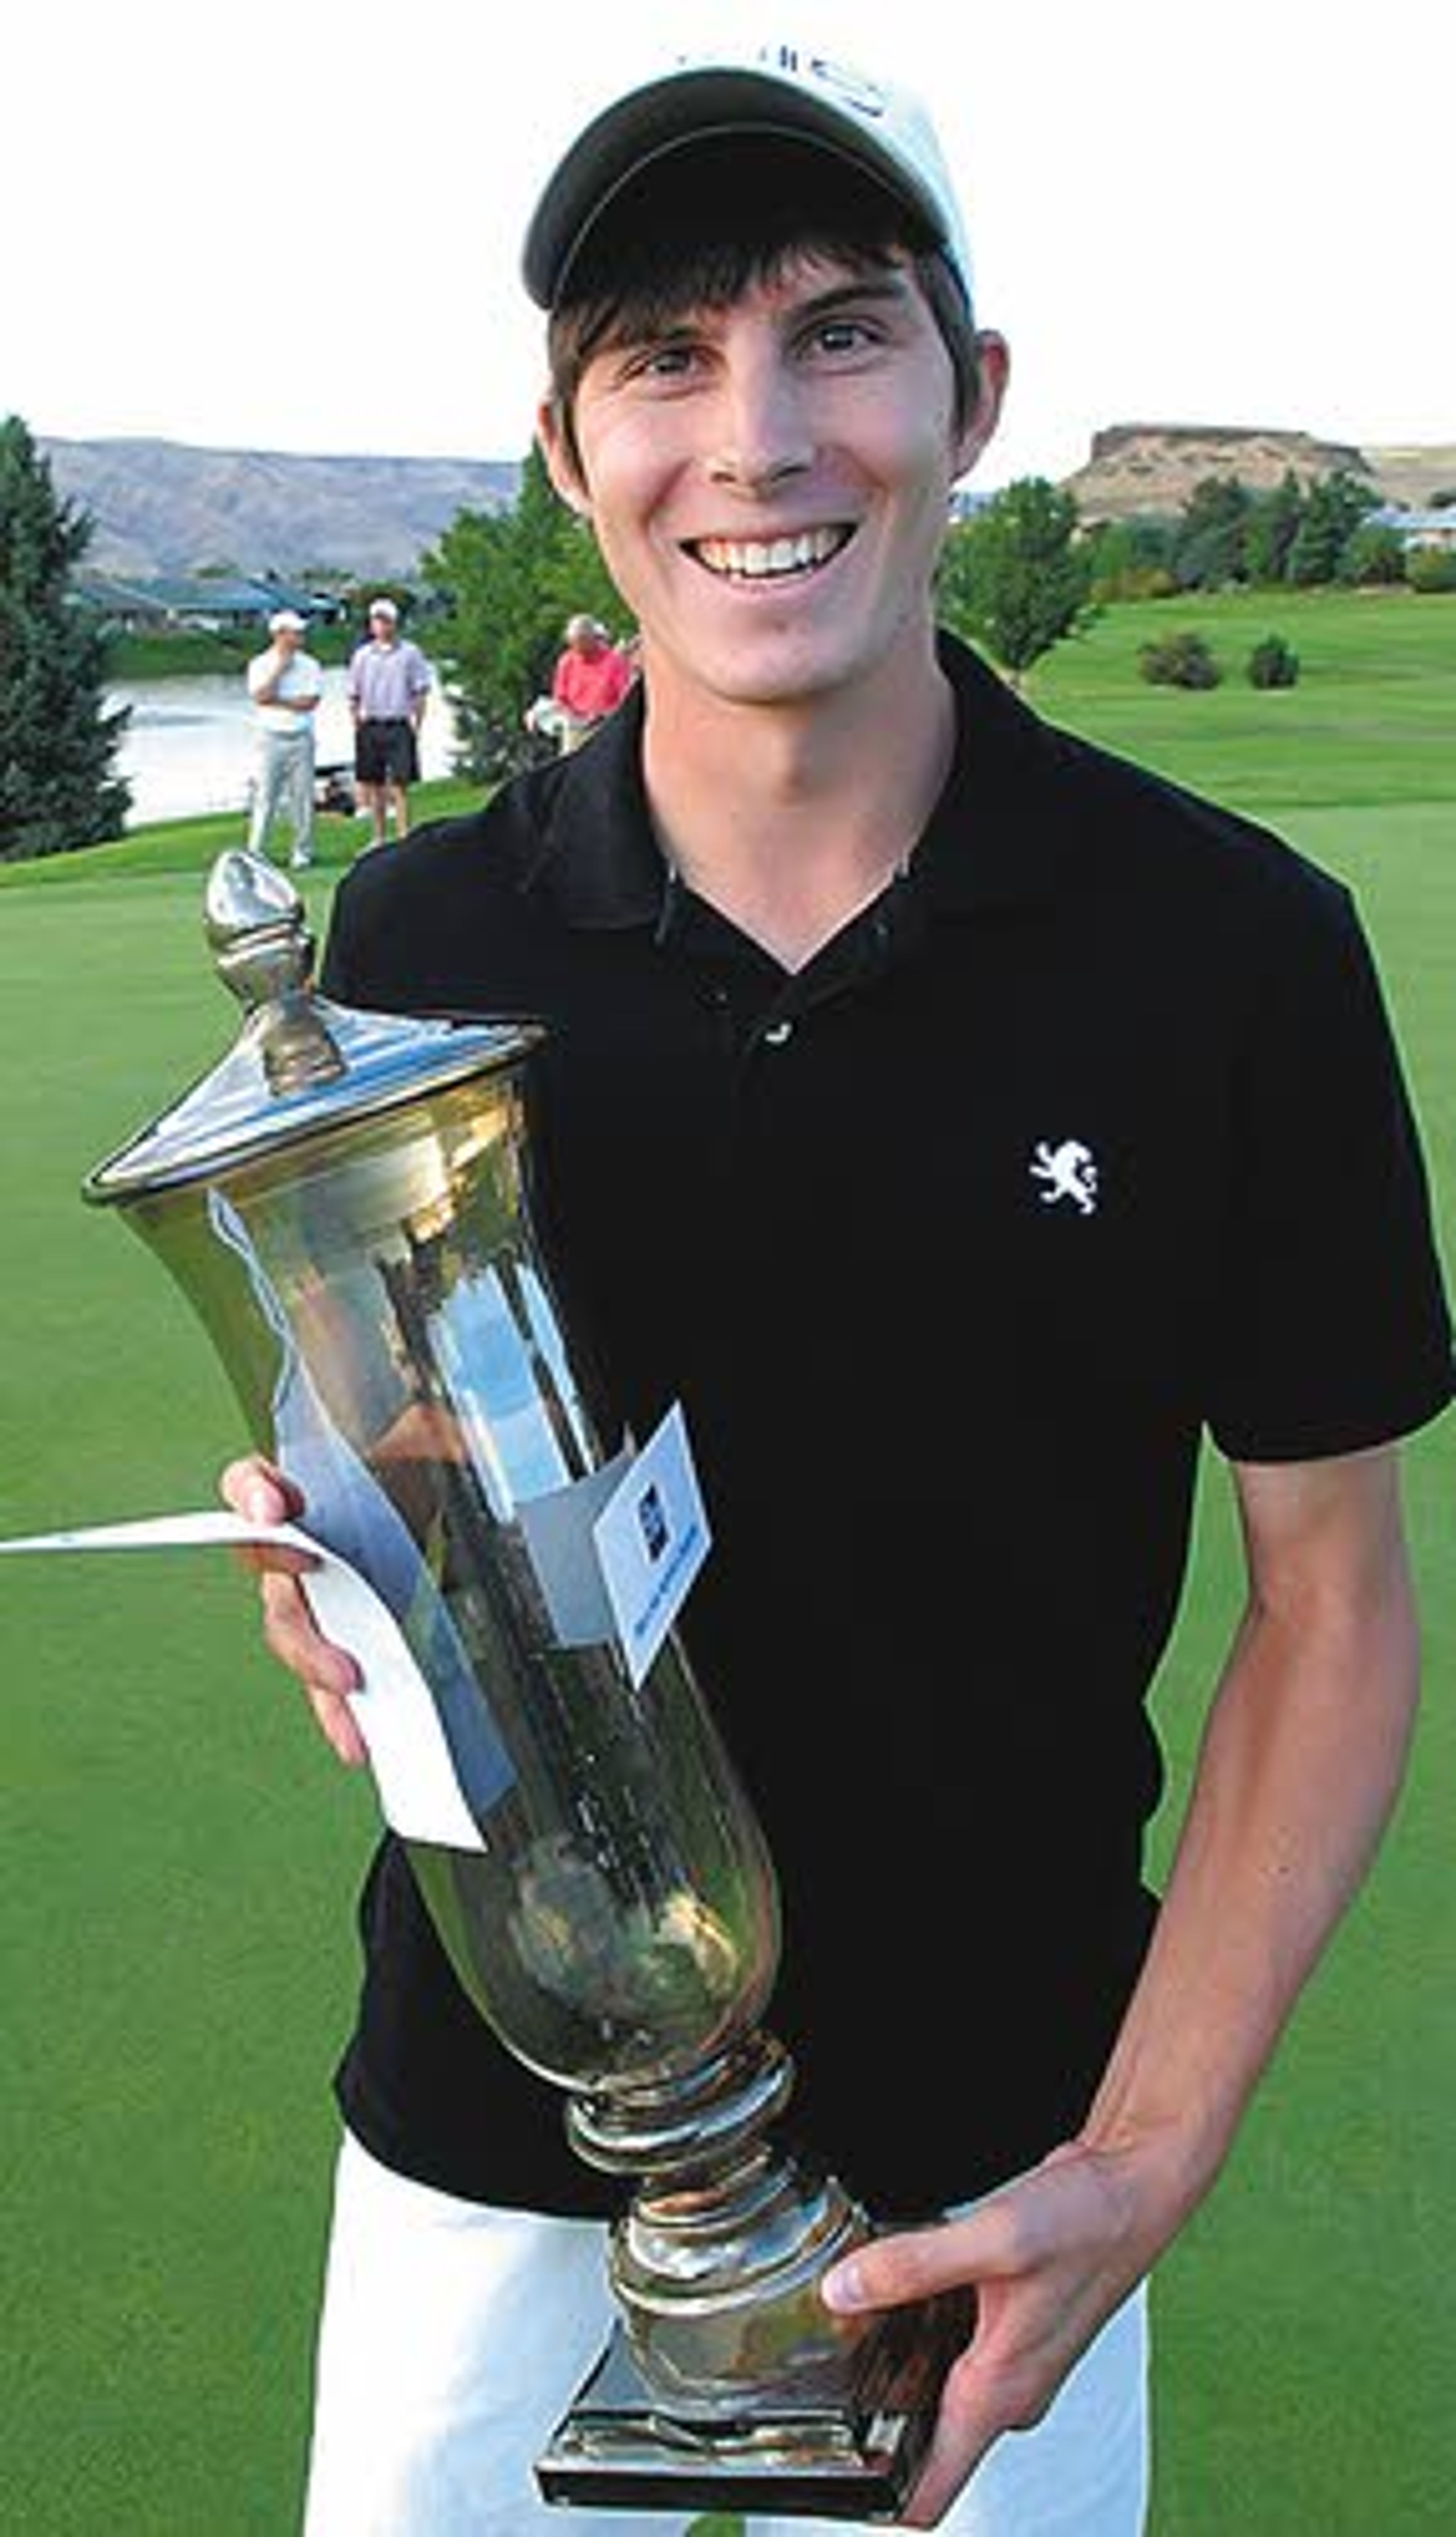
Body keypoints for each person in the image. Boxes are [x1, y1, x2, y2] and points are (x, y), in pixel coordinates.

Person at [224, 36, 1453, 2537]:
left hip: (1009, 2181)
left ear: (973, 392)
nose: (756, 438)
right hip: (499, 2134)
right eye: (662, 358)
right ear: (569, 452)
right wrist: (327, 1556)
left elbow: (1330, 1605)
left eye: (840, 331)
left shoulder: (1232, 952)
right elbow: (406, 1484)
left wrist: (1154, 2145)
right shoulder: (419, 934)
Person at [346, 596, 432, 848]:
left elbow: (420, 691)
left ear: (395, 623)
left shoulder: (410, 654)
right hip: (371, 723)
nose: (381, 626)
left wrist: (418, 724)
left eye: (386, 621)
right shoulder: (362, 656)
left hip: (399, 723)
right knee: (374, 786)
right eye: (377, 621)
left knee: (401, 785)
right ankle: (380, 838)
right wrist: (356, 723)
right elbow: (353, 693)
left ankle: (405, 836)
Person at [245, 607, 323, 869]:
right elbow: (260, 696)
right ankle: (256, 852)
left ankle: (303, 851)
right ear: (280, 635)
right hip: (270, 738)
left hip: (301, 737)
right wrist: (280, 670)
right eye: (296, 632)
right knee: (266, 796)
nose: (301, 636)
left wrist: (277, 701)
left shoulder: (310, 665)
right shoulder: (260, 664)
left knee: (302, 797)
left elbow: (310, 702)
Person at [548, 610, 636, 750]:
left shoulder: (615, 663)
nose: (578, 651)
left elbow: (626, 700)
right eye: (574, 645)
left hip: (606, 728)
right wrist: (573, 717)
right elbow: (561, 698)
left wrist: (602, 716)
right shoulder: (567, 662)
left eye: (582, 644)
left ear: (594, 639)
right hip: (576, 729)